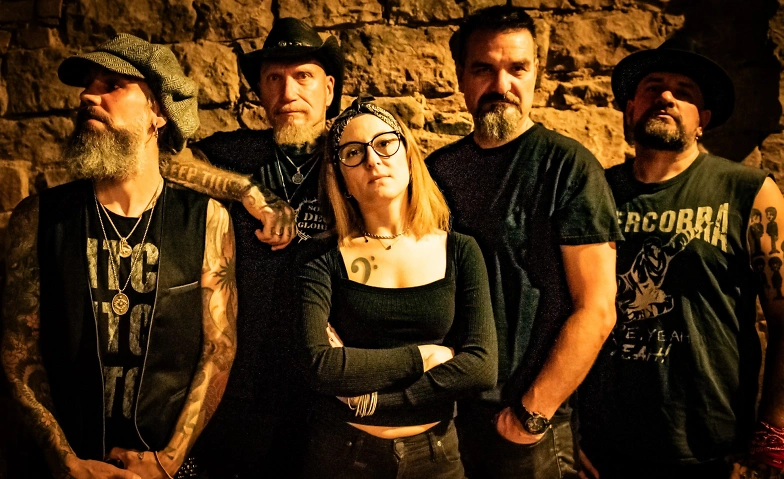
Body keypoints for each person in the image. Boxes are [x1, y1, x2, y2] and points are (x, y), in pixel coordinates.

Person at [1, 34, 236, 479]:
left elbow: (218, 349)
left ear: (158, 112)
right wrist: (64, 460)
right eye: (88, 85)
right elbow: (18, 353)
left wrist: (168, 460)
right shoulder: (39, 218)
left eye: (112, 85)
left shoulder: (206, 220)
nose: (88, 96)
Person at [425, 6, 623, 478]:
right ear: (461, 76)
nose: (502, 85)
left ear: (537, 74)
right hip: (446, 415)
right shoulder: (437, 170)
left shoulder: (568, 167)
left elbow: (597, 308)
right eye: (484, 69)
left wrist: (533, 413)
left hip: (522, 421)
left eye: (517, 68)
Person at [578, 38, 784, 479]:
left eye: (684, 91)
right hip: (603, 442)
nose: (666, 96)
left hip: (711, 445)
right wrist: (565, 423)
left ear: (702, 120)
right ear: (630, 110)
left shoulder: (748, 191)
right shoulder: (596, 192)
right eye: (652, 87)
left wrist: (774, 432)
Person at [157, 17, 344, 478]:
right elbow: (160, 160)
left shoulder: (357, 154)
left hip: (331, 387)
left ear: (329, 88)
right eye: (273, 78)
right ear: (260, 91)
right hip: (243, 387)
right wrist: (246, 190)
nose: (288, 91)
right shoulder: (234, 153)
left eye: (303, 76)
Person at [297, 95, 497, 478]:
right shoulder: (320, 257)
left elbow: (480, 367)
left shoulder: (460, 250)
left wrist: (370, 399)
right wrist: (424, 357)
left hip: (437, 456)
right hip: (344, 455)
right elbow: (320, 366)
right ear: (341, 178)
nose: (372, 160)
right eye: (353, 153)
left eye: (385, 143)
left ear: (408, 155)